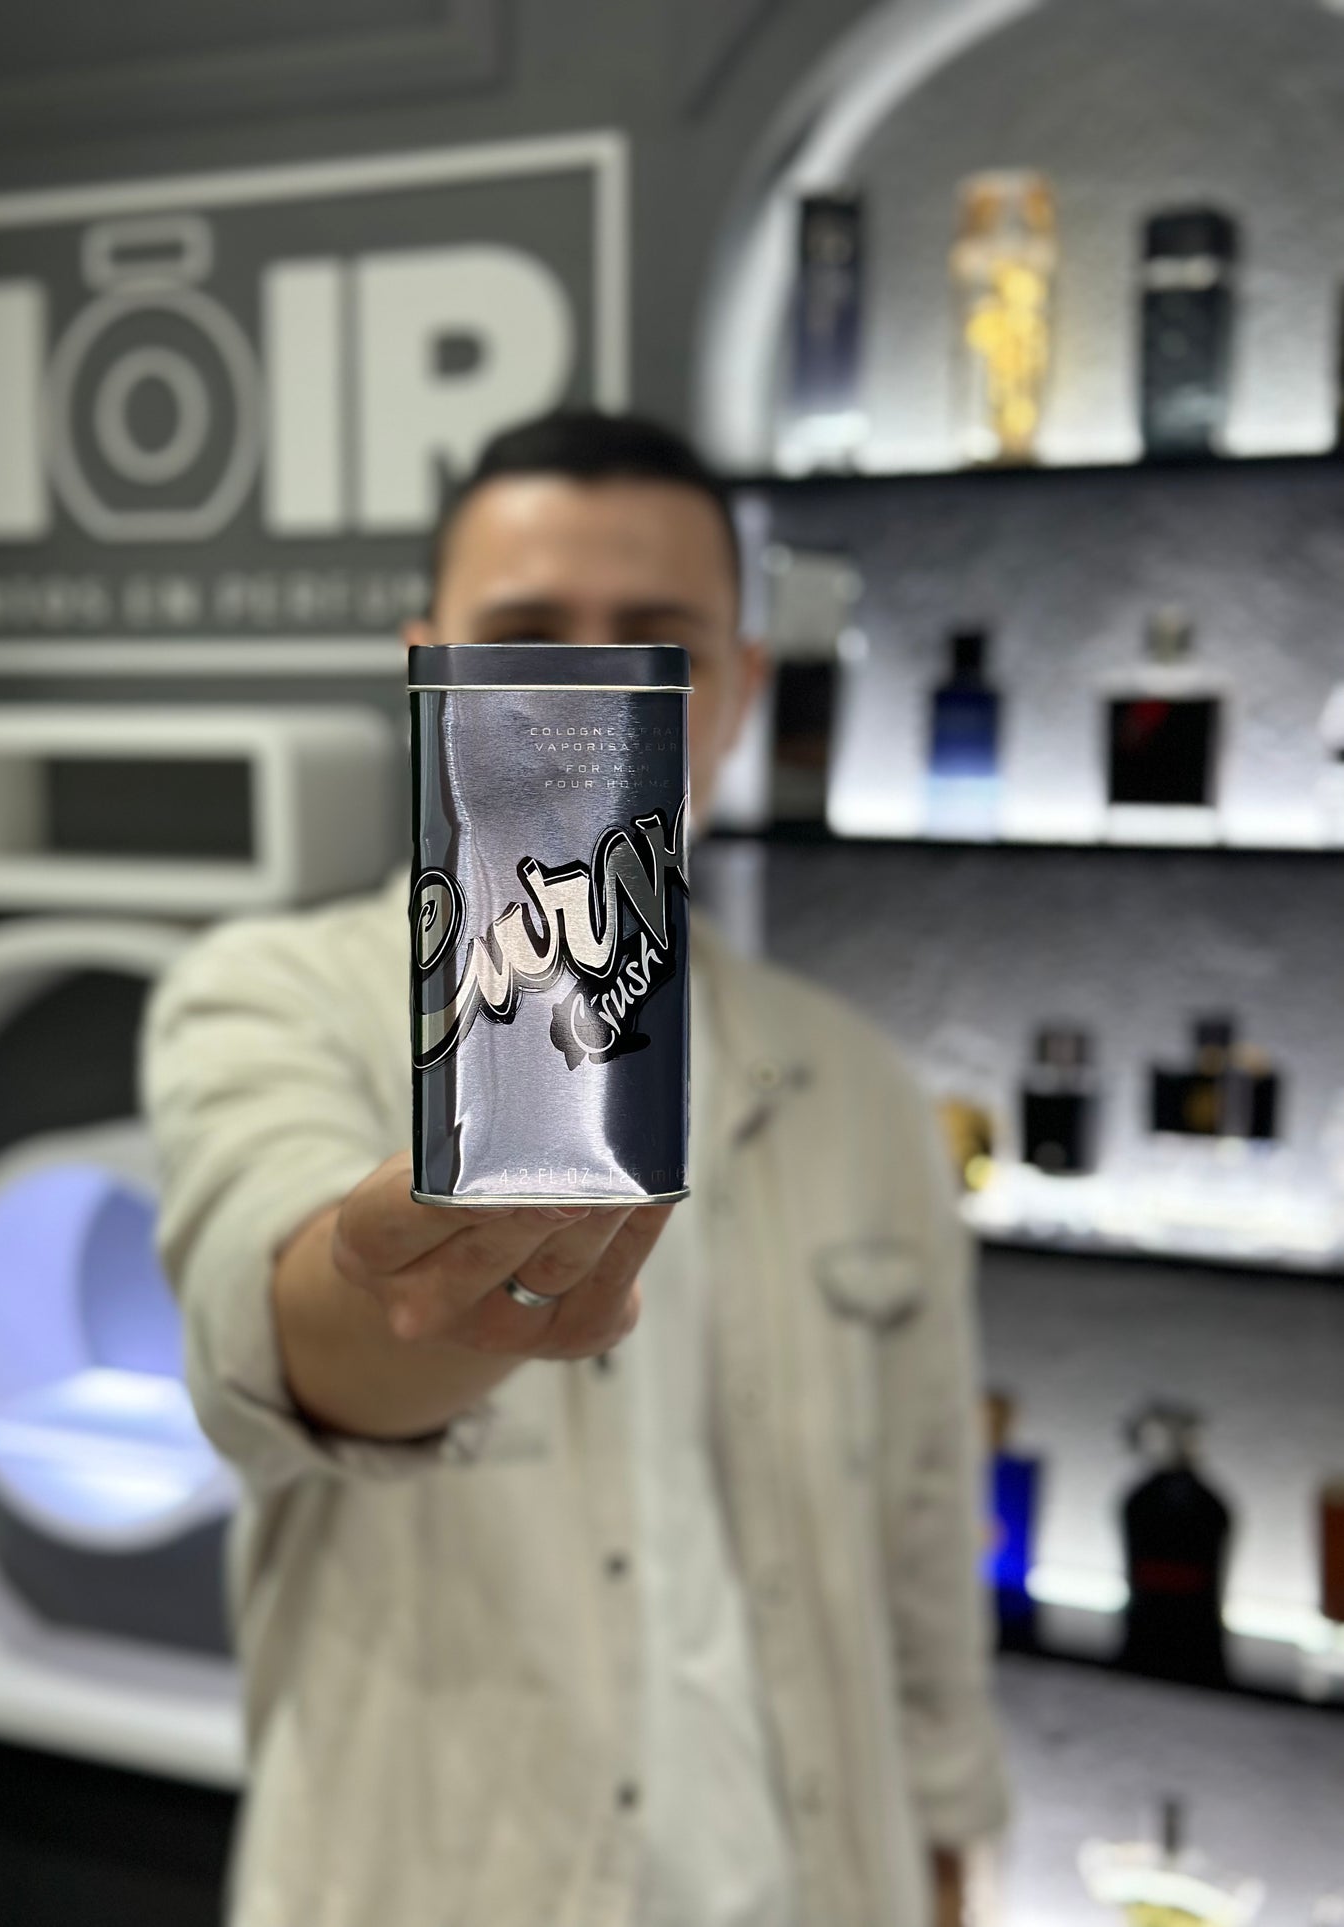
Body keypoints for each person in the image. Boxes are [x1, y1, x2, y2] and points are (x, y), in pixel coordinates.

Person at [141, 409, 1009, 1927]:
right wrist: (404, 1304)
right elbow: (270, 1332)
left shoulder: (861, 1088)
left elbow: (931, 1539)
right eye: (527, 640)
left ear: (738, 690)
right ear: (429, 667)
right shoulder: (267, 999)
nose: (585, 694)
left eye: (655, 645)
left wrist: (945, 1859)